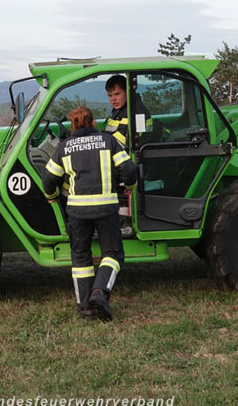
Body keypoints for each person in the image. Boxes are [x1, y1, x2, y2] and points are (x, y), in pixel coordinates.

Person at [41, 107, 137, 321]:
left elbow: (48, 177)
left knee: (81, 256)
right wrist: (129, 185)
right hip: (106, 209)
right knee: (112, 254)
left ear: (72, 125)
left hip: (77, 212)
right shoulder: (108, 141)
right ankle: (99, 292)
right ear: (94, 122)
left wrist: (52, 195)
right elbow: (129, 169)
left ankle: (85, 308)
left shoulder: (64, 147)